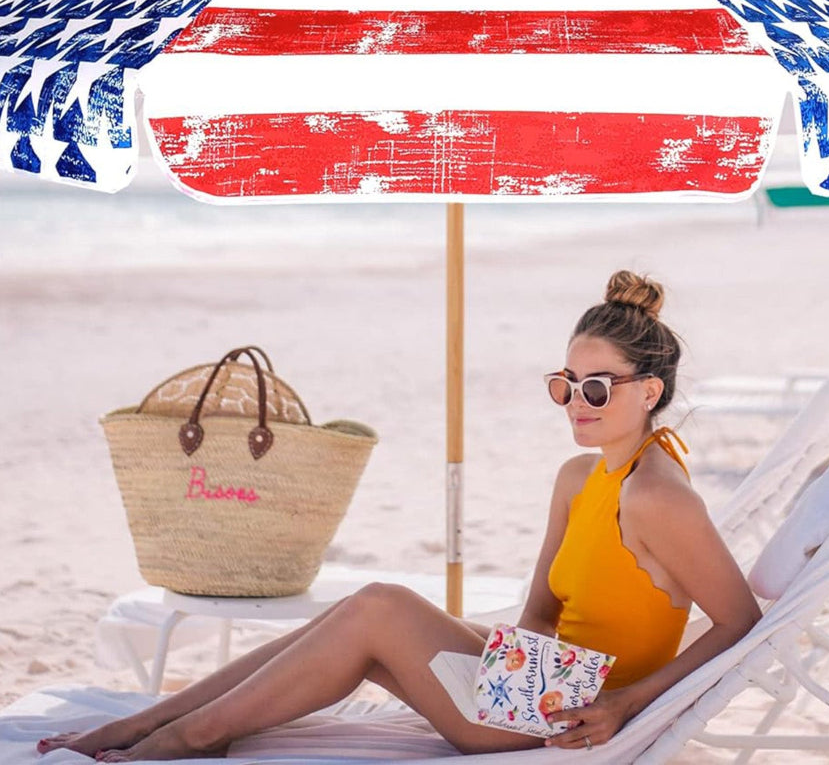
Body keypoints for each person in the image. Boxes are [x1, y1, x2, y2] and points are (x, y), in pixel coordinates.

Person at [38, 270, 761, 760]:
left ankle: (181, 737)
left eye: (597, 390)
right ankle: (155, 722)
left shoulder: (657, 494)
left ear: (649, 391)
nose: (576, 403)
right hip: (538, 678)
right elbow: (541, 612)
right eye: (565, 385)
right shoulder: (580, 477)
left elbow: (740, 622)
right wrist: (491, 658)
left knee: (381, 607)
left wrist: (625, 705)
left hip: (575, 710)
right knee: (368, 611)